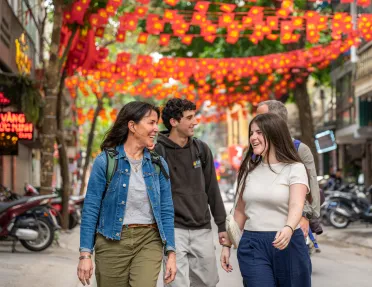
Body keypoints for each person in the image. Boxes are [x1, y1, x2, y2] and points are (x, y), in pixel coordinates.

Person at [77, 101, 176, 287]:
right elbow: (91, 209)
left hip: (149, 239)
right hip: (111, 241)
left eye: (157, 123)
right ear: (132, 126)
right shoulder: (106, 161)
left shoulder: (158, 163)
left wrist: (171, 252)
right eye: (151, 122)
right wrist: (85, 254)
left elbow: (166, 210)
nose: (156, 129)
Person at [221, 113, 312, 287]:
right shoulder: (248, 170)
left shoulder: (295, 168)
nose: (253, 137)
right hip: (253, 244)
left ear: (275, 134)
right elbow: (239, 211)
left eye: (259, 132)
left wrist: (288, 228)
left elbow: (297, 204)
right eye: (252, 133)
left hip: (288, 242)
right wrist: (227, 245)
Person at [155, 98, 227, 287]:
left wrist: (222, 225)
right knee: (175, 284)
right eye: (189, 117)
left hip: (201, 228)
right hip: (173, 230)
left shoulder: (201, 149)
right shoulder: (157, 152)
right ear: (174, 122)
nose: (195, 122)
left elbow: (212, 189)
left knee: (208, 283)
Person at [256, 100, 321, 238]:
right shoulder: (252, 153)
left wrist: (305, 216)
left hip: (294, 221)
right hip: (260, 225)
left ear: (277, 121)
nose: (256, 122)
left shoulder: (300, 150)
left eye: (261, 118)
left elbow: (312, 186)